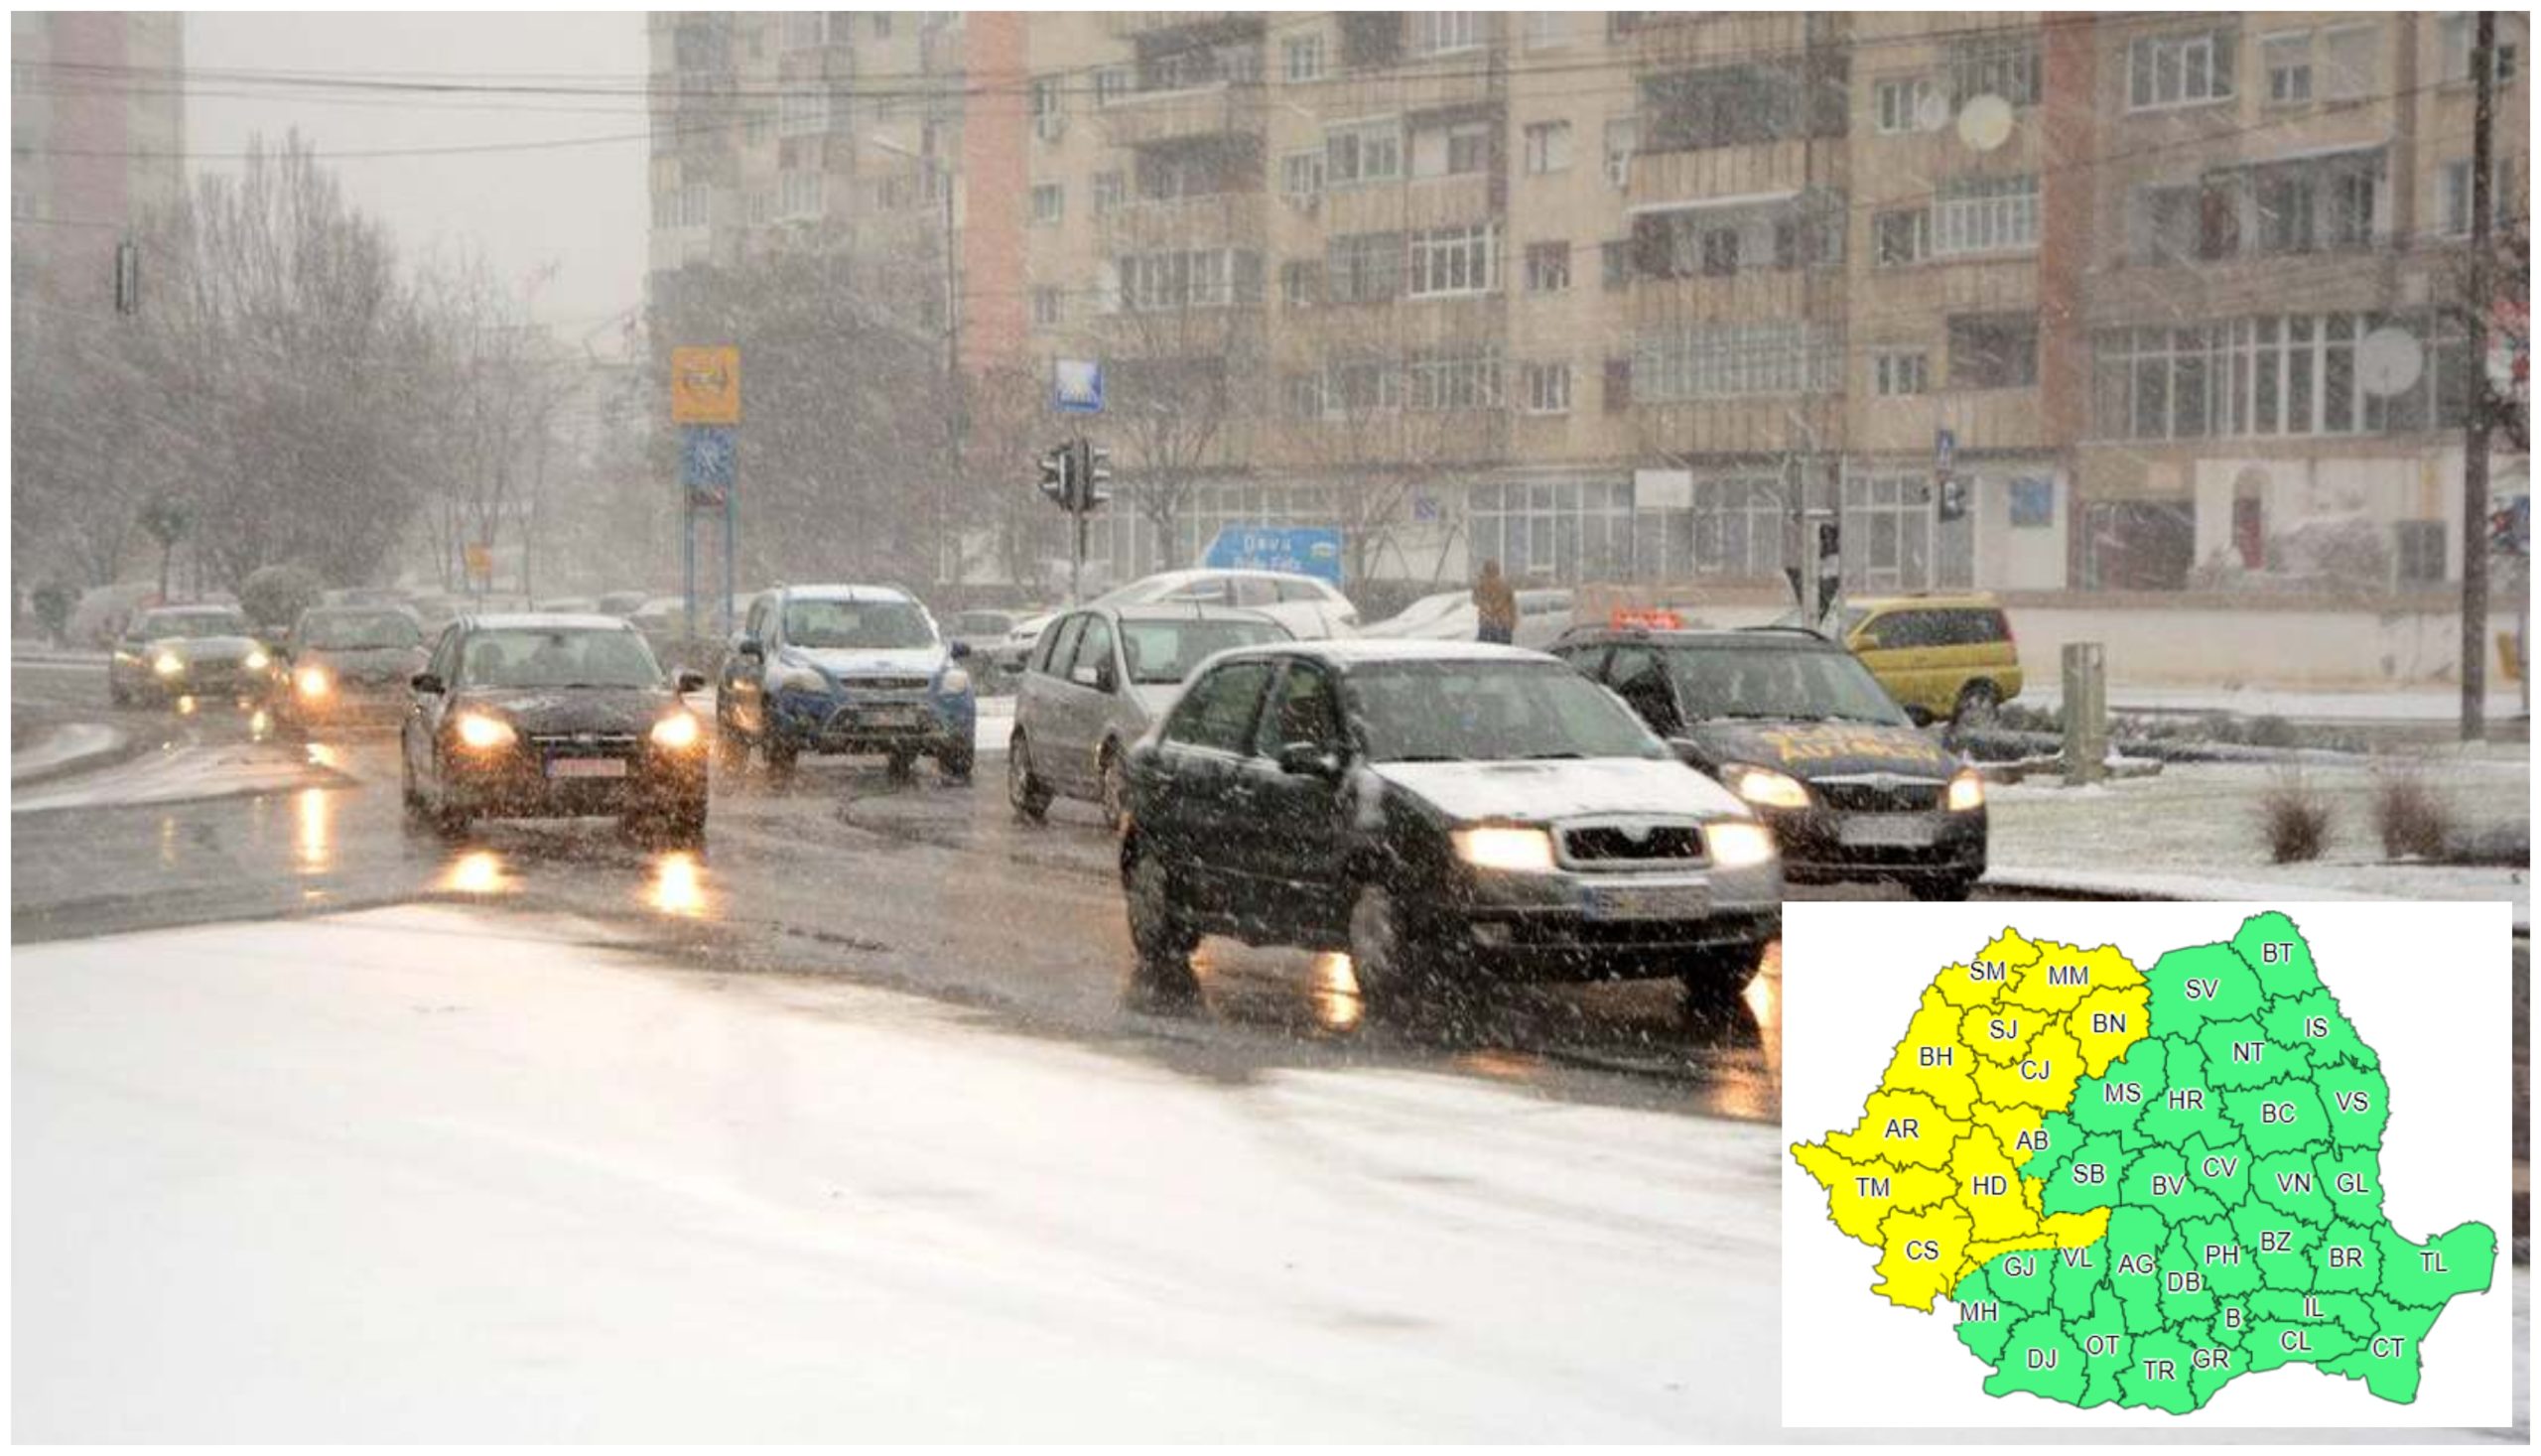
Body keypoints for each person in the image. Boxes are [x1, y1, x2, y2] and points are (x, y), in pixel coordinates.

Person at [1473, 559, 1518, 645]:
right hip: (1500, 625)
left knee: (1487, 649)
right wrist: (1512, 621)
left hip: (1492, 625)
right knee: (1502, 649)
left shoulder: (1482, 585)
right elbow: (1512, 606)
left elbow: (1475, 600)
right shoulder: (1504, 586)